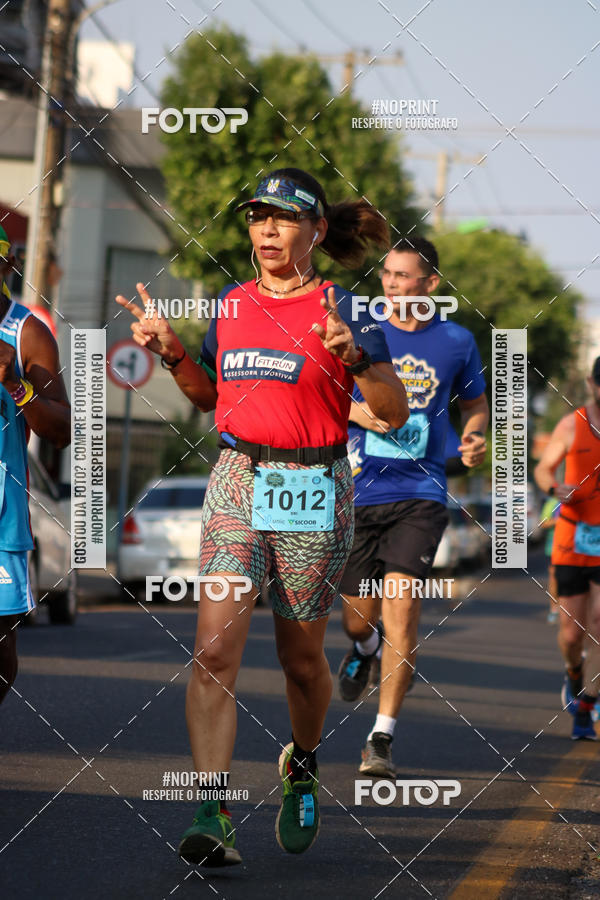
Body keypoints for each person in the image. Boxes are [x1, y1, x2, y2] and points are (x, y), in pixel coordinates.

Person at [116, 168, 408, 866]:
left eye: (283, 217)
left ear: (314, 230)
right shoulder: (232, 303)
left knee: (301, 661)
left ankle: (301, 766)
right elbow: (206, 395)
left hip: (314, 484)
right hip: (238, 477)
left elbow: (393, 413)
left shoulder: (347, 308)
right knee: (214, 650)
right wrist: (173, 352)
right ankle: (212, 810)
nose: (267, 229)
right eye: (257, 217)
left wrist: (357, 357)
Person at [339, 236, 489, 777]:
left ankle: (381, 738)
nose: (394, 285)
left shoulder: (456, 340)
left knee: (403, 608)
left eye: (405, 276)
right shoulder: (360, 329)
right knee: (359, 618)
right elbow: (322, 390)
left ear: (431, 285)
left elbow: (476, 403)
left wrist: (473, 437)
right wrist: (355, 414)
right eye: (387, 275)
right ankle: (362, 648)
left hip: (421, 495)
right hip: (358, 492)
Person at [0, 224, 71, 705]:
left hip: (1, 514)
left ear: (5, 268)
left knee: (0, 650)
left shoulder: (25, 332)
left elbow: (62, 430)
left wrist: (17, 385)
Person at [534, 357, 600, 740]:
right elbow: (544, 468)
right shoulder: (572, 424)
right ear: (592, 383)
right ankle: (574, 674)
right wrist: (552, 488)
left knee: (599, 624)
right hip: (573, 539)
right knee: (572, 634)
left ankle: (587, 707)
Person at [540, 494, 560, 624]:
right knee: (554, 579)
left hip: (579, 549)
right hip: (555, 548)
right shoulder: (553, 502)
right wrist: (560, 521)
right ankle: (554, 610)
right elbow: (543, 523)